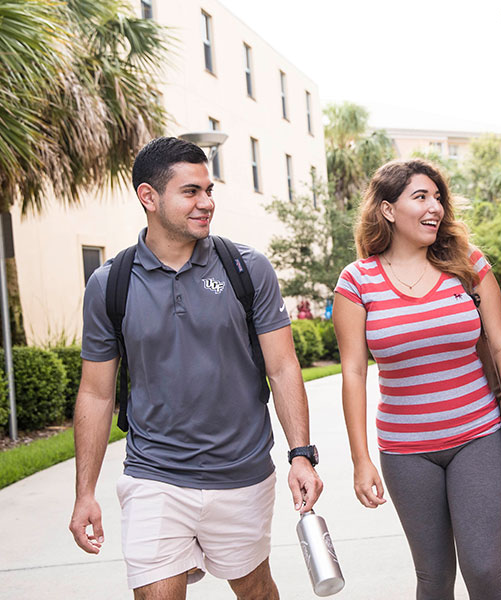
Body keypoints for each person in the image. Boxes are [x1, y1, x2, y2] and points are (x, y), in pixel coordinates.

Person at [68, 137, 323, 599]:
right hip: (155, 473)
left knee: (256, 590)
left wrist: (301, 454)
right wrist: (85, 492)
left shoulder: (247, 268)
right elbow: (96, 393)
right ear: (149, 197)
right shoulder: (110, 284)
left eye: (209, 190)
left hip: (241, 472)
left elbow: (283, 367)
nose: (206, 203)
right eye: (191, 192)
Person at [333, 158, 501, 599]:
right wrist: (361, 460)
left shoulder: (468, 265)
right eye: (421, 197)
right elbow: (354, 372)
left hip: (477, 436)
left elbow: (500, 346)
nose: (434, 207)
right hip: (404, 449)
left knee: (485, 568)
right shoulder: (357, 281)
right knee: (433, 577)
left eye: (438, 197)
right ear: (388, 210)